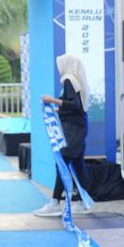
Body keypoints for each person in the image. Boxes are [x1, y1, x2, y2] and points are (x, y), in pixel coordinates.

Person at [34, 54, 92, 217]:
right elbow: (76, 106)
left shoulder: (68, 80)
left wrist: (52, 100)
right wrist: (61, 109)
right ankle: (83, 201)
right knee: (78, 165)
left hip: (73, 129)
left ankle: (54, 203)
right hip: (79, 126)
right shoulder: (76, 80)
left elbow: (74, 104)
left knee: (62, 163)